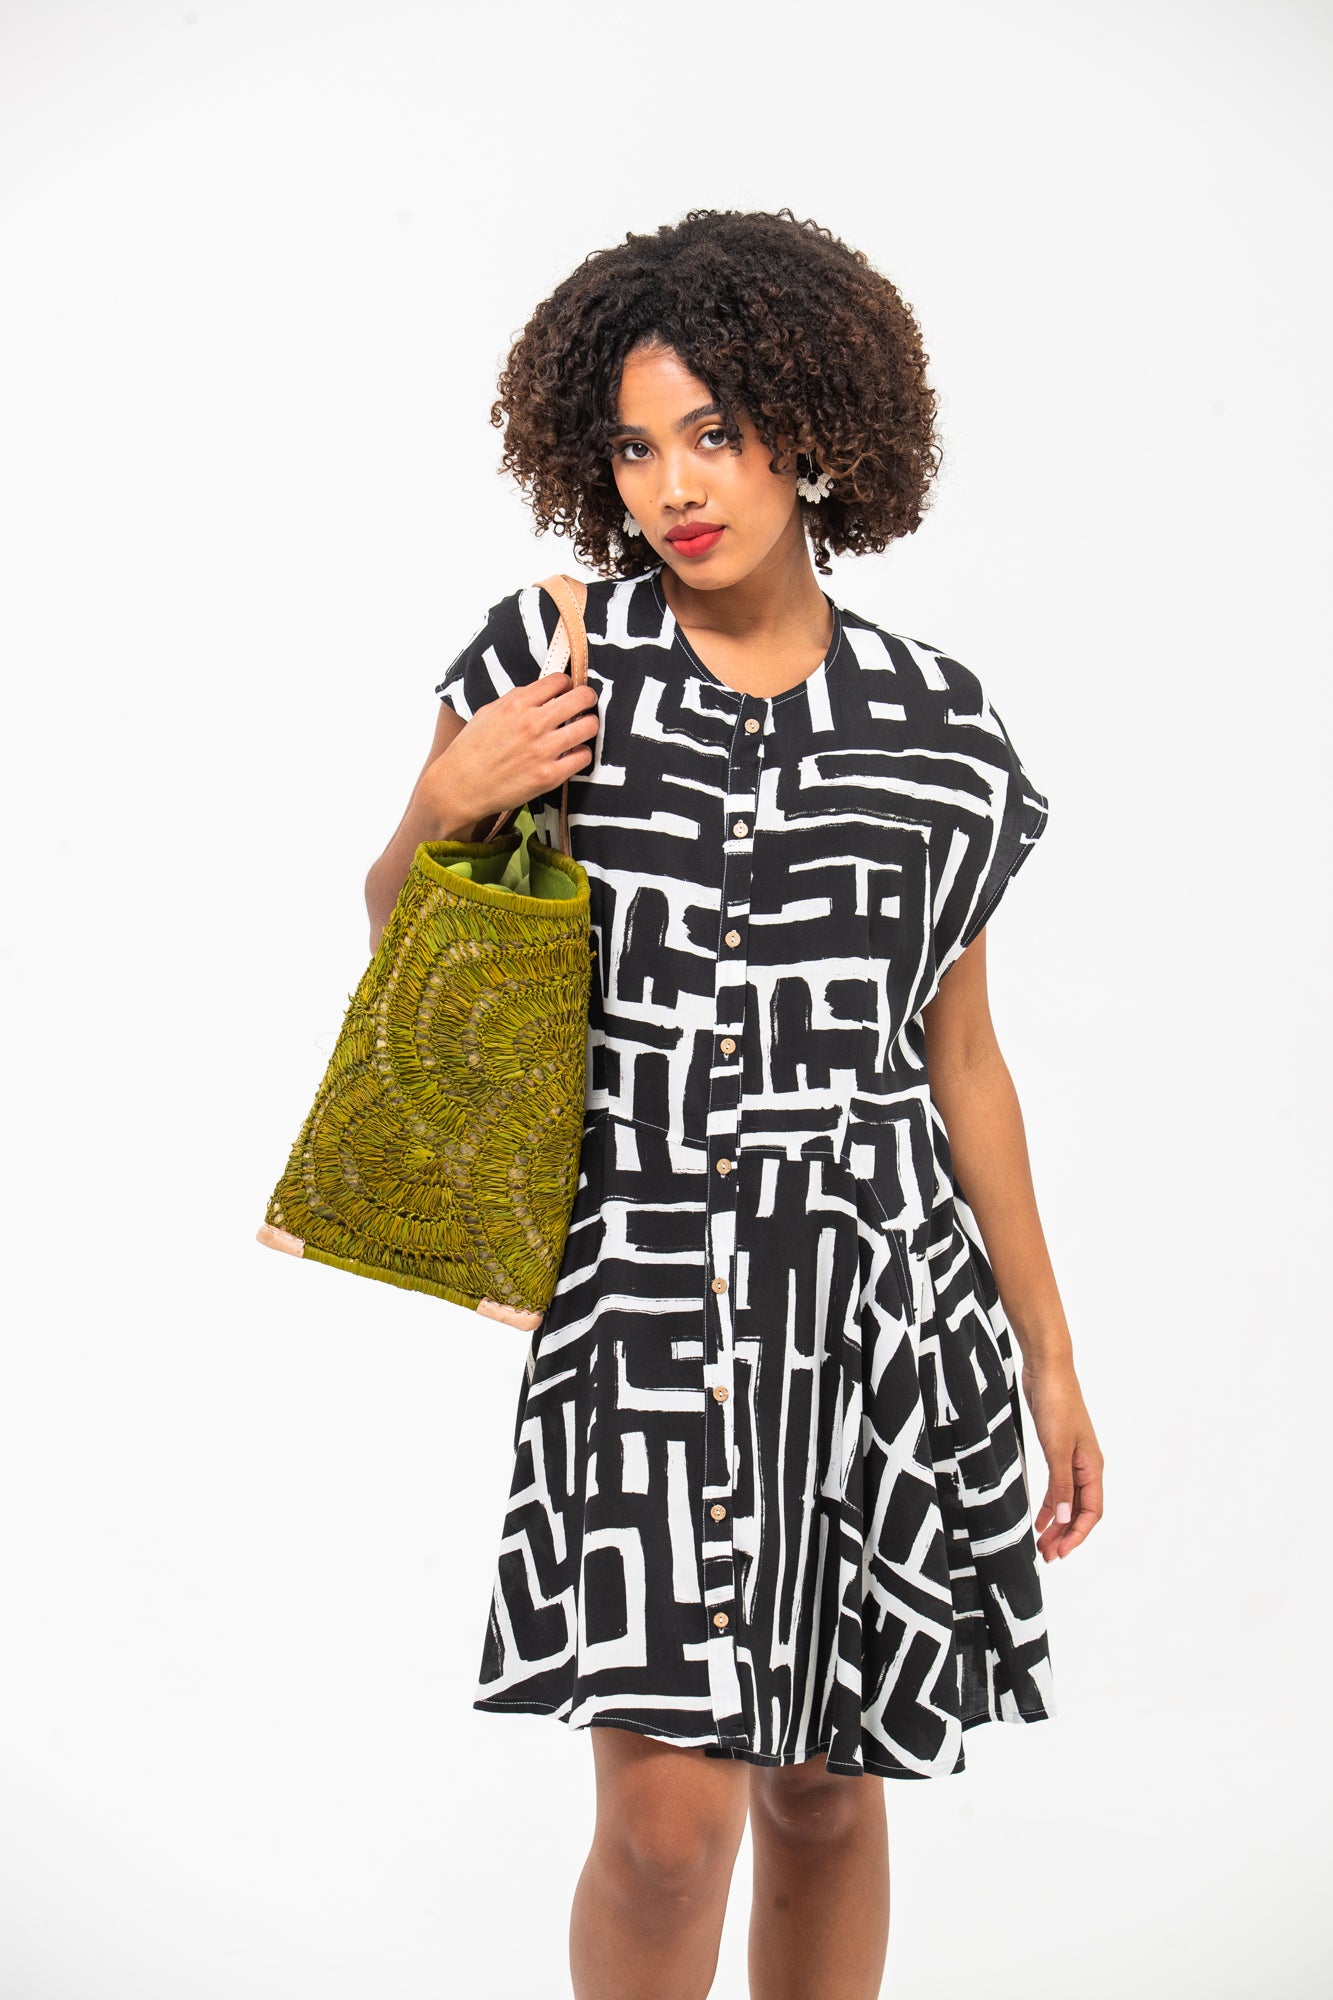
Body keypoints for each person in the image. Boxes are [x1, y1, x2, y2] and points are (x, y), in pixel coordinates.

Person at [365, 207, 1104, 2000]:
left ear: (811, 431)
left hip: (873, 1291)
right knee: (662, 1831)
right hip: (643, 1290)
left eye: (712, 433)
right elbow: (405, 949)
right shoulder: (553, 656)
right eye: (633, 448)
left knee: (828, 1800)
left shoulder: (937, 725)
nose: (673, 487)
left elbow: (961, 1060)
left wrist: (1049, 1356)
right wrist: (447, 803)